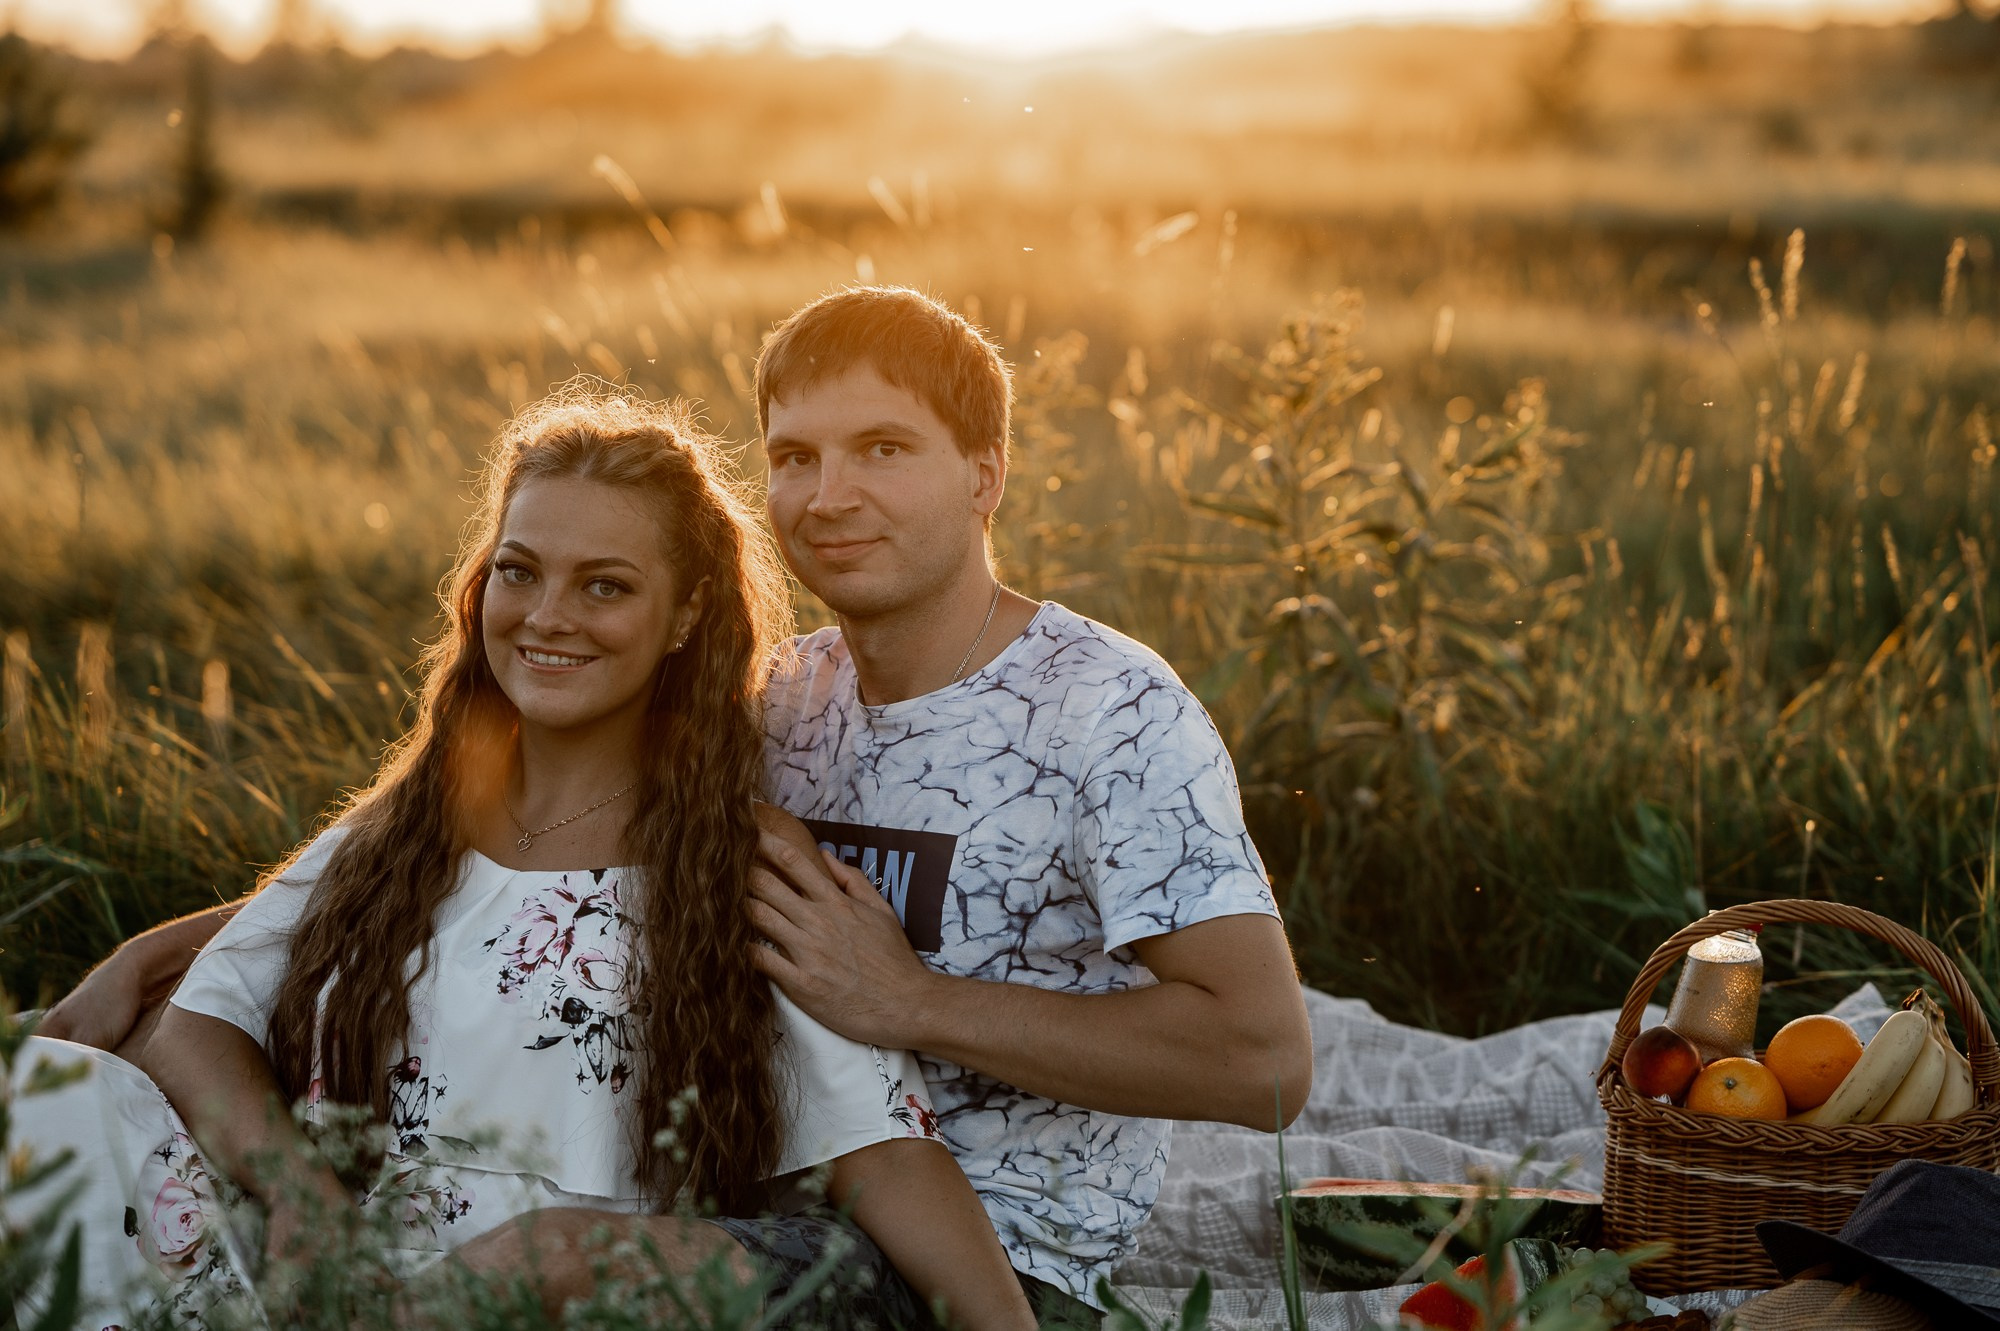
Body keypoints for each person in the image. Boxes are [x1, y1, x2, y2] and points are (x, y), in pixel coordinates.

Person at [39, 286, 1315, 1324]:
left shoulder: (1108, 711)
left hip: (988, 1250)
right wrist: (176, 948)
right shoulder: (776, 700)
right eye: (797, 457)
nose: (829, 495)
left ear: (985, 474)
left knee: (550, 1258)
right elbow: (528, 845)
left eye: (883, 449)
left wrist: (909, 1003)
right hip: (754, 1192)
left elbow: (1265, 1063)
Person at [12, 392, 1034, 1331]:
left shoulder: (742, 858)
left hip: (537, 1299)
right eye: (518, 569)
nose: (546, 615)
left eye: (605, 585)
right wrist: (302, 1200)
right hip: (326, 1278)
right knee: (41, 1084)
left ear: (684, 617)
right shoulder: (412, 824)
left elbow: (881, 1144)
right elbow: (203, 1017)